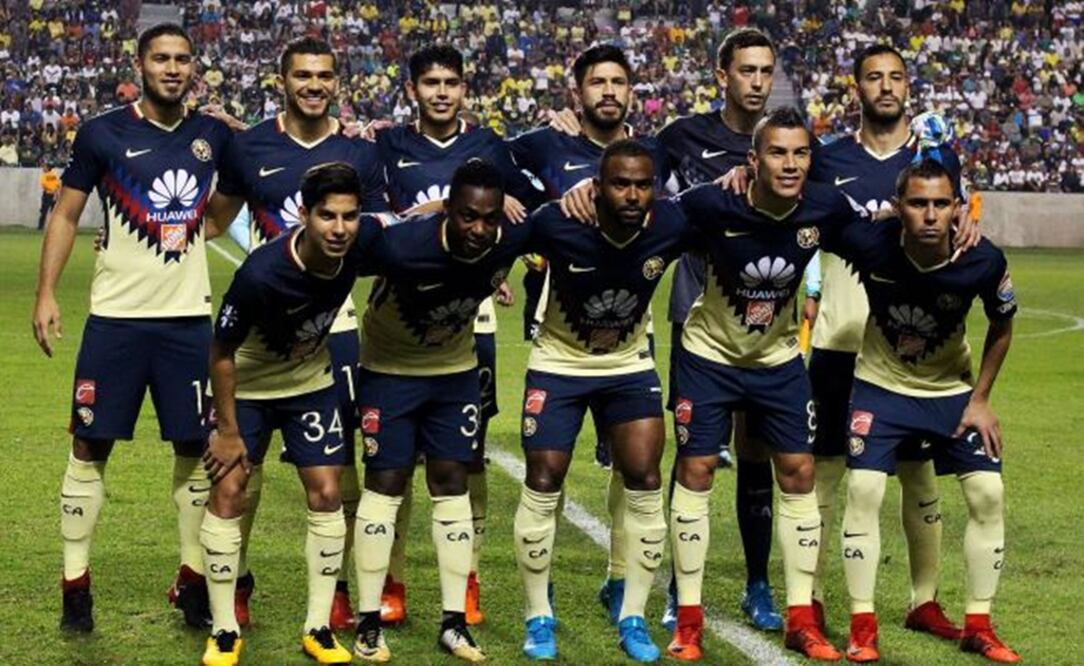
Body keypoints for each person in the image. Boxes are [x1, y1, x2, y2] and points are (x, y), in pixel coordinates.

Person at [31, 23, 233, 633]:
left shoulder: (213, 135)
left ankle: (193, 582)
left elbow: (228, 208)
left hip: (187, 321)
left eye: (182, 59)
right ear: (140, 64)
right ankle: (75, 587)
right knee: (89, 446)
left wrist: (200, 224)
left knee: (195, 450)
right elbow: (66, 214)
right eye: (160, 59)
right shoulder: (102, 133)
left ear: (193, 68)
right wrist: (45, 294)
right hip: (115, 321)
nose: (172, 68)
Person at [205, 35, 389, 631]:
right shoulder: (248, 144)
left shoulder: (359, 154)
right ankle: (235, 587)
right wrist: (153, 234)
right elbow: (214, 220)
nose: (314, 84)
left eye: (324, 75)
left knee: (340, 469)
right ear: (281, 80)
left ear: (338, 81)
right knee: (241, 469)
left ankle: (336, 588)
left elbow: (383, 228)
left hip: (335, 328)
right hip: (261, 330)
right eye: (302, 75)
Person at [372, 44, 543, 627]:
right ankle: (391, 581)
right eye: (430, 83)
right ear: (412, 89)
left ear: (465, 88)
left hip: (473, 325)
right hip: (399, 317)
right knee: (395, 462)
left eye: (451, 82)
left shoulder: (491, 145)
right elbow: (372, 216)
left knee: (465, 458)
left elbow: (529, 207)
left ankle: (466, 578)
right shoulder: (388, 144)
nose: (441, 92)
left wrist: (498, 267)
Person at [508, 43, 671, 626]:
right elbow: (485, 166)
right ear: (576, 93)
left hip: (631, 342)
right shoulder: (546, 144)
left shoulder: (658, 153)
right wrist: (532, 200)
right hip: (561, 337)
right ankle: (539, 610)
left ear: (632, 89)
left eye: (618, 81)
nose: (608, 90)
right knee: (547, 473)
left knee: (633, 469)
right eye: (596, 81)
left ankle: (623, 584)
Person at [833, 159, 1019, 664]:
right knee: (864, 488)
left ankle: (978, 624)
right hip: (881, 387)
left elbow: (1002, 326)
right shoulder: (869, 242)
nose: (931, 215)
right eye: (918, 204)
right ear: (898, 209)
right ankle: (862, 623)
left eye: (941, 204)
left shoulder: (982, 259)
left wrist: (979, 399)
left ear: (958, 208)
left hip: (950, 391)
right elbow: (808, 213)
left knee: (987, 493)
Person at [351, 160, 529, 663]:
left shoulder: (510, 239)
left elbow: (561, 217)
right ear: (449, 210)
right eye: (468, 216)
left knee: (453, 485)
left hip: (455, 375)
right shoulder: (399, 245)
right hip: (388, 373)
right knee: (385, 486)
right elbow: (343, 239)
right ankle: (368, 622)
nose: (479, 229)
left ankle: (454, 623)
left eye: (489, 219)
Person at [199, 162, 365, 666]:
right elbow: (221, 353)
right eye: (327, 216)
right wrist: (227, 432)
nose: (339, 229)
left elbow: (412, 230)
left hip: (309, 383)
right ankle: (224, 629)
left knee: (329, 491)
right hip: (246, 385)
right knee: (229, 490)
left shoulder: (361, 244)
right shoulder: (261, 273)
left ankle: (318, 627)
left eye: (349, 217)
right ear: (303, 215)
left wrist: (445, 207)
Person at [38, 161, 60, 230]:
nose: (43, 168)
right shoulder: (54, 175)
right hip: (53, 194)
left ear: (47, 168)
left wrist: (50, 189)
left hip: (47, 194)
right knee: (53, 212)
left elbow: (43, 184)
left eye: (44, 167)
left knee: (44, 211)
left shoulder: (44, 175)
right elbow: (58, 185)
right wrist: (56, 193)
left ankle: (40, 227)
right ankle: (53, 227)